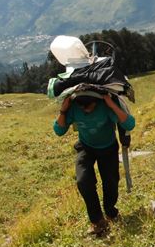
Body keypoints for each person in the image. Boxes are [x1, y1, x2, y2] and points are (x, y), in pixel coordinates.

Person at [54, 92, 135, 236]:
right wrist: (63, 110)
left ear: (96, 102)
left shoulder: (105, 105)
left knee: (111, 181)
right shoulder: (74, 107)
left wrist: (111, 104)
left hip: (108, 147)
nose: (86, 110)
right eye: (82, 108)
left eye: (89, 107)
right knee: (83, 181)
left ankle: (111, 212)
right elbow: (59, 130)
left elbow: (129, 123)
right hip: (86, 147)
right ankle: (98, 221)